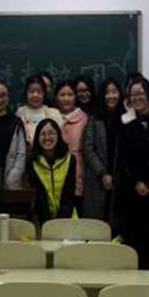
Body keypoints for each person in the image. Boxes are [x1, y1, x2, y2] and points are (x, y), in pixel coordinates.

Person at [117, 74, 149, 275]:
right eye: (133, 95)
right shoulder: (125, 124)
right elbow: (124, 158)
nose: (137, 98)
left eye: (140, 94)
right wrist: (136, 181)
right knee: (135, 236)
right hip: (134, 190)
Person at [83, 77, 124, 225]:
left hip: (121, 178)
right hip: (97, 178)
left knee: (118, 223)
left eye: (114, 92)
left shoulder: (126, 117)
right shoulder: (94, 118)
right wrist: (103, 173)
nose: (111, 96)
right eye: (107, 92)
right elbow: (88, 149)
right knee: (96, 224)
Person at [28, 118, 77, 223]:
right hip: (42, 220)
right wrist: (48, 224)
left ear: (58, 135)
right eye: (43, 134)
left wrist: (60, 223)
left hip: (67, 218)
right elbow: (39, 197)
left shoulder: (70, 160)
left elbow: (69, 195)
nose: (47, 138)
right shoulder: (32, 163)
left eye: (51, 133)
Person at [56, 80, 88, 213]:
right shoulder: (50, 116)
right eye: (62, 95)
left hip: (77, 174)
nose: (66, 98)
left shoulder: (84, 119)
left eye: (70, 95)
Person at [16, 74, 63, 147]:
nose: (35, 95)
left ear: (44, 94)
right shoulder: (19, 113)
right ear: (26, 93)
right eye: (32, 92)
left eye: (39, 92)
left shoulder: (54, 113)